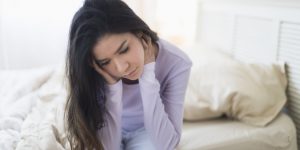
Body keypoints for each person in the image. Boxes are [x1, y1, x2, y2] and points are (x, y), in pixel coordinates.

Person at [64, 0, 192, 150]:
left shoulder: (177, 63)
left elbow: (167, 144)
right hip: (105, 127)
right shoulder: (93, 69)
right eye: (106, 62)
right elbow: (108, 147)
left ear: (139, 33)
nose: (121, 68)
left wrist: (148, 75)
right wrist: (112, 88)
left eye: (124, 50)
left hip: (146, 132)